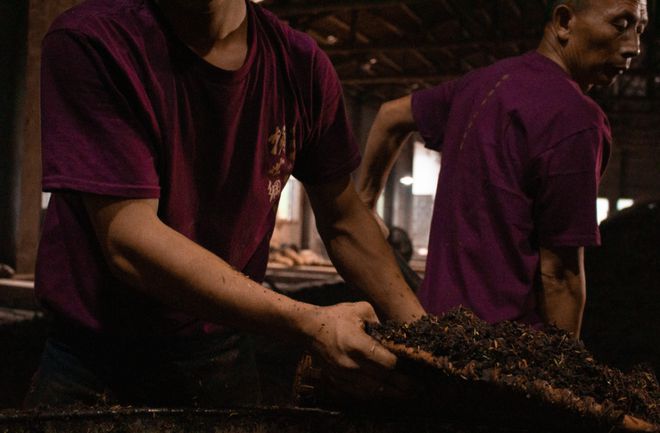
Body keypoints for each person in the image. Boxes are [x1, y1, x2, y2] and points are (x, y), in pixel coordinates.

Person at [26, 0, 424, 408]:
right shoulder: (95, 40)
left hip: (221, 348)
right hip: (96, 358)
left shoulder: (300, 66)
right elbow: (128, 241)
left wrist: (426, 339)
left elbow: (343, 220)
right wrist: (309, 323)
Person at [357, 0, 647, 339]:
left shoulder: (482, 83)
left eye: (640, 30)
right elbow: (561, 276)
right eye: (621, 24)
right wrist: (562, 375)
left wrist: (364, 205)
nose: (634, 47)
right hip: (504, 351)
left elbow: (390, 116)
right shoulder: (577, 119)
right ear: (565, 21)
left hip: (432, 332)